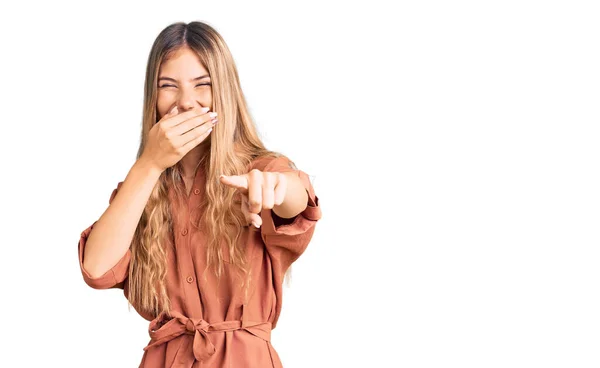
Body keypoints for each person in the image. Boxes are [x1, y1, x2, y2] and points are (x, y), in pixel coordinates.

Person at [77, 21, 321, 368]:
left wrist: (279, 190)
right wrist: (149, 164)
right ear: (153, 97)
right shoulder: (141, 188)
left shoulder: (260, 170)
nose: (185, 102)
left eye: (202, 85)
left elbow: (295, 199)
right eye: (168, 86)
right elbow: (96, 268)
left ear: (224, 90)